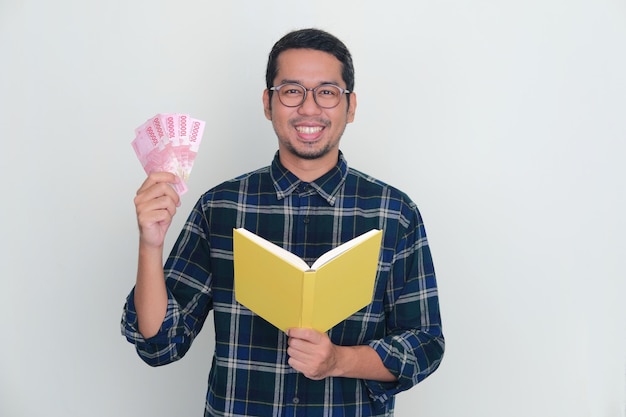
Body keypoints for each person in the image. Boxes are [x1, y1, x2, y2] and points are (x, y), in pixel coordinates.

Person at [121, 28, 444, 416]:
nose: (309, 109)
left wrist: (338, 360)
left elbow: (425, 344)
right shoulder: (220, 207)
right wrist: (150, 244)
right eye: (292, 91)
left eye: (327, 92)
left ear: (350, 106)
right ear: (268, 102)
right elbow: (161, 343)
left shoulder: (394, 212)